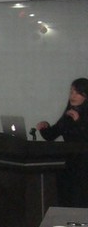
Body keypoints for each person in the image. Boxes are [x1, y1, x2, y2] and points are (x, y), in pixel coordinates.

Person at [35, 77, 88, 208]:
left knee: (80, 200)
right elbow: (52, 134)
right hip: (69, 164)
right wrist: (44, 127)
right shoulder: (69, 114)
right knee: (67, 200)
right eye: (71, 92)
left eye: (77, 93)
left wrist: (79, 122)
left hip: (84, 166)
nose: (72, 96)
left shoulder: (81, 116)